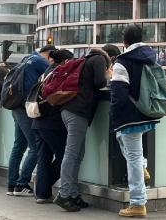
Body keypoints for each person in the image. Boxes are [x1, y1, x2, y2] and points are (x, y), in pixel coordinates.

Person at [109, 25, 161, 218]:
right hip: (146, 111)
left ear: (125, 41)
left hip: (129, 116)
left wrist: (115, 114)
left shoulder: (123, 61)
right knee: (131, 150)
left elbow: (119, 92)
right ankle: (142, 166)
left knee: (132, 156)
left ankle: (138, 203)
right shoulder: (152, 57)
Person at [53, 47, 113, 212]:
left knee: (78, 154)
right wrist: (108, 74)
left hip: (70, 110)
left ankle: (73, 194)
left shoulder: (85, 60)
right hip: (77, 111)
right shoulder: (99, 59)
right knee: (72, 154)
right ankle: (64, 194)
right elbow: (100, 82)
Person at [7, 45, 55, 197]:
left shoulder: (25, 59)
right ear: (48, 54)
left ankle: (12, 184)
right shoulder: (40, 61)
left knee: (18, 146)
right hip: (26, 107)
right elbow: (54, 74)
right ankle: (21, 184)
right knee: (35, 147)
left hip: (15, 106)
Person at [33, 49, 73, 204]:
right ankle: (44, 185)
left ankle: (42, 193)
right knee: (66, 156)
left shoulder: (45, 73)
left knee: (43, 157)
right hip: (52, 122)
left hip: (37, 120)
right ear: (65, 61)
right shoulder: (61, 73)